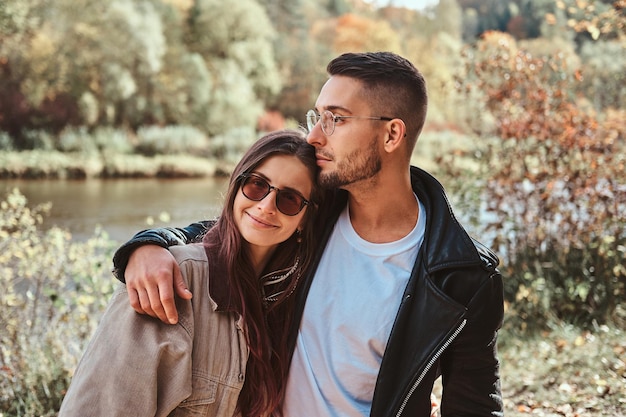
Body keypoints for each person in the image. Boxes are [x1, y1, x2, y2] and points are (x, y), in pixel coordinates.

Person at [113, 52, 504, 416]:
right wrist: (151, 244)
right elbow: (234, 229)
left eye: (336, 118)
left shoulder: (462, 276)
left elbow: (473, 405)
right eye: (318, 116)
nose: (315, 135)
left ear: (391, 135)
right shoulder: (310, 211)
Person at [58, 129, 324, 417]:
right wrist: (146, 245)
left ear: (305, 218)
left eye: (289, 199)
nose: (266, 206)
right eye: (257, 185)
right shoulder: (168, 280)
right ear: (237, 185)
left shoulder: (293, 297)